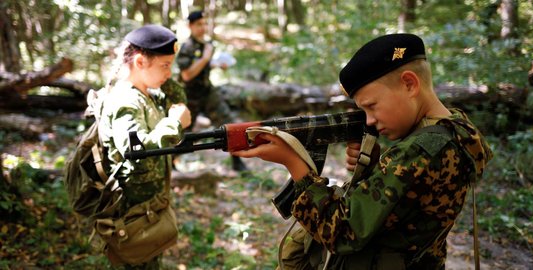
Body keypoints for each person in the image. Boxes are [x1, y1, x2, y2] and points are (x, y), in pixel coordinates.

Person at [232, 33, 493, 269]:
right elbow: (410, 201)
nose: (368, 120)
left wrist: (295, 164)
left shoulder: (420, 151)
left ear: (410, 84)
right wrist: (378, 170)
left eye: (371, 105)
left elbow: (341, 232)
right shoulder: (456, 127)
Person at [97, 24, 191, 269]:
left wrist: (166, 76)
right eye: (165, 65)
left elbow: (178, 96)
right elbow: (136, 152)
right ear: (140, 62)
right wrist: (173, 124)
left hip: (149, 207)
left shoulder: (146, 93)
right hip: (131, 213)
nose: (169, 73)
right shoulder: (124, 102)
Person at [176, 10, 248, 172]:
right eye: (198, 24)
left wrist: (215, 64)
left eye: (204, 24)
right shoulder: (187, 47)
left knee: (229, 124)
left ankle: (237, 161)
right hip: (190, 95)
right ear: (190, 26)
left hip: (207, 92)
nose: (202, 27)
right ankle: (172, 162)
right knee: (183, 132)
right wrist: (206, 59)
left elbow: (203, 67)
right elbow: (187, 75)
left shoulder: (206, 45)